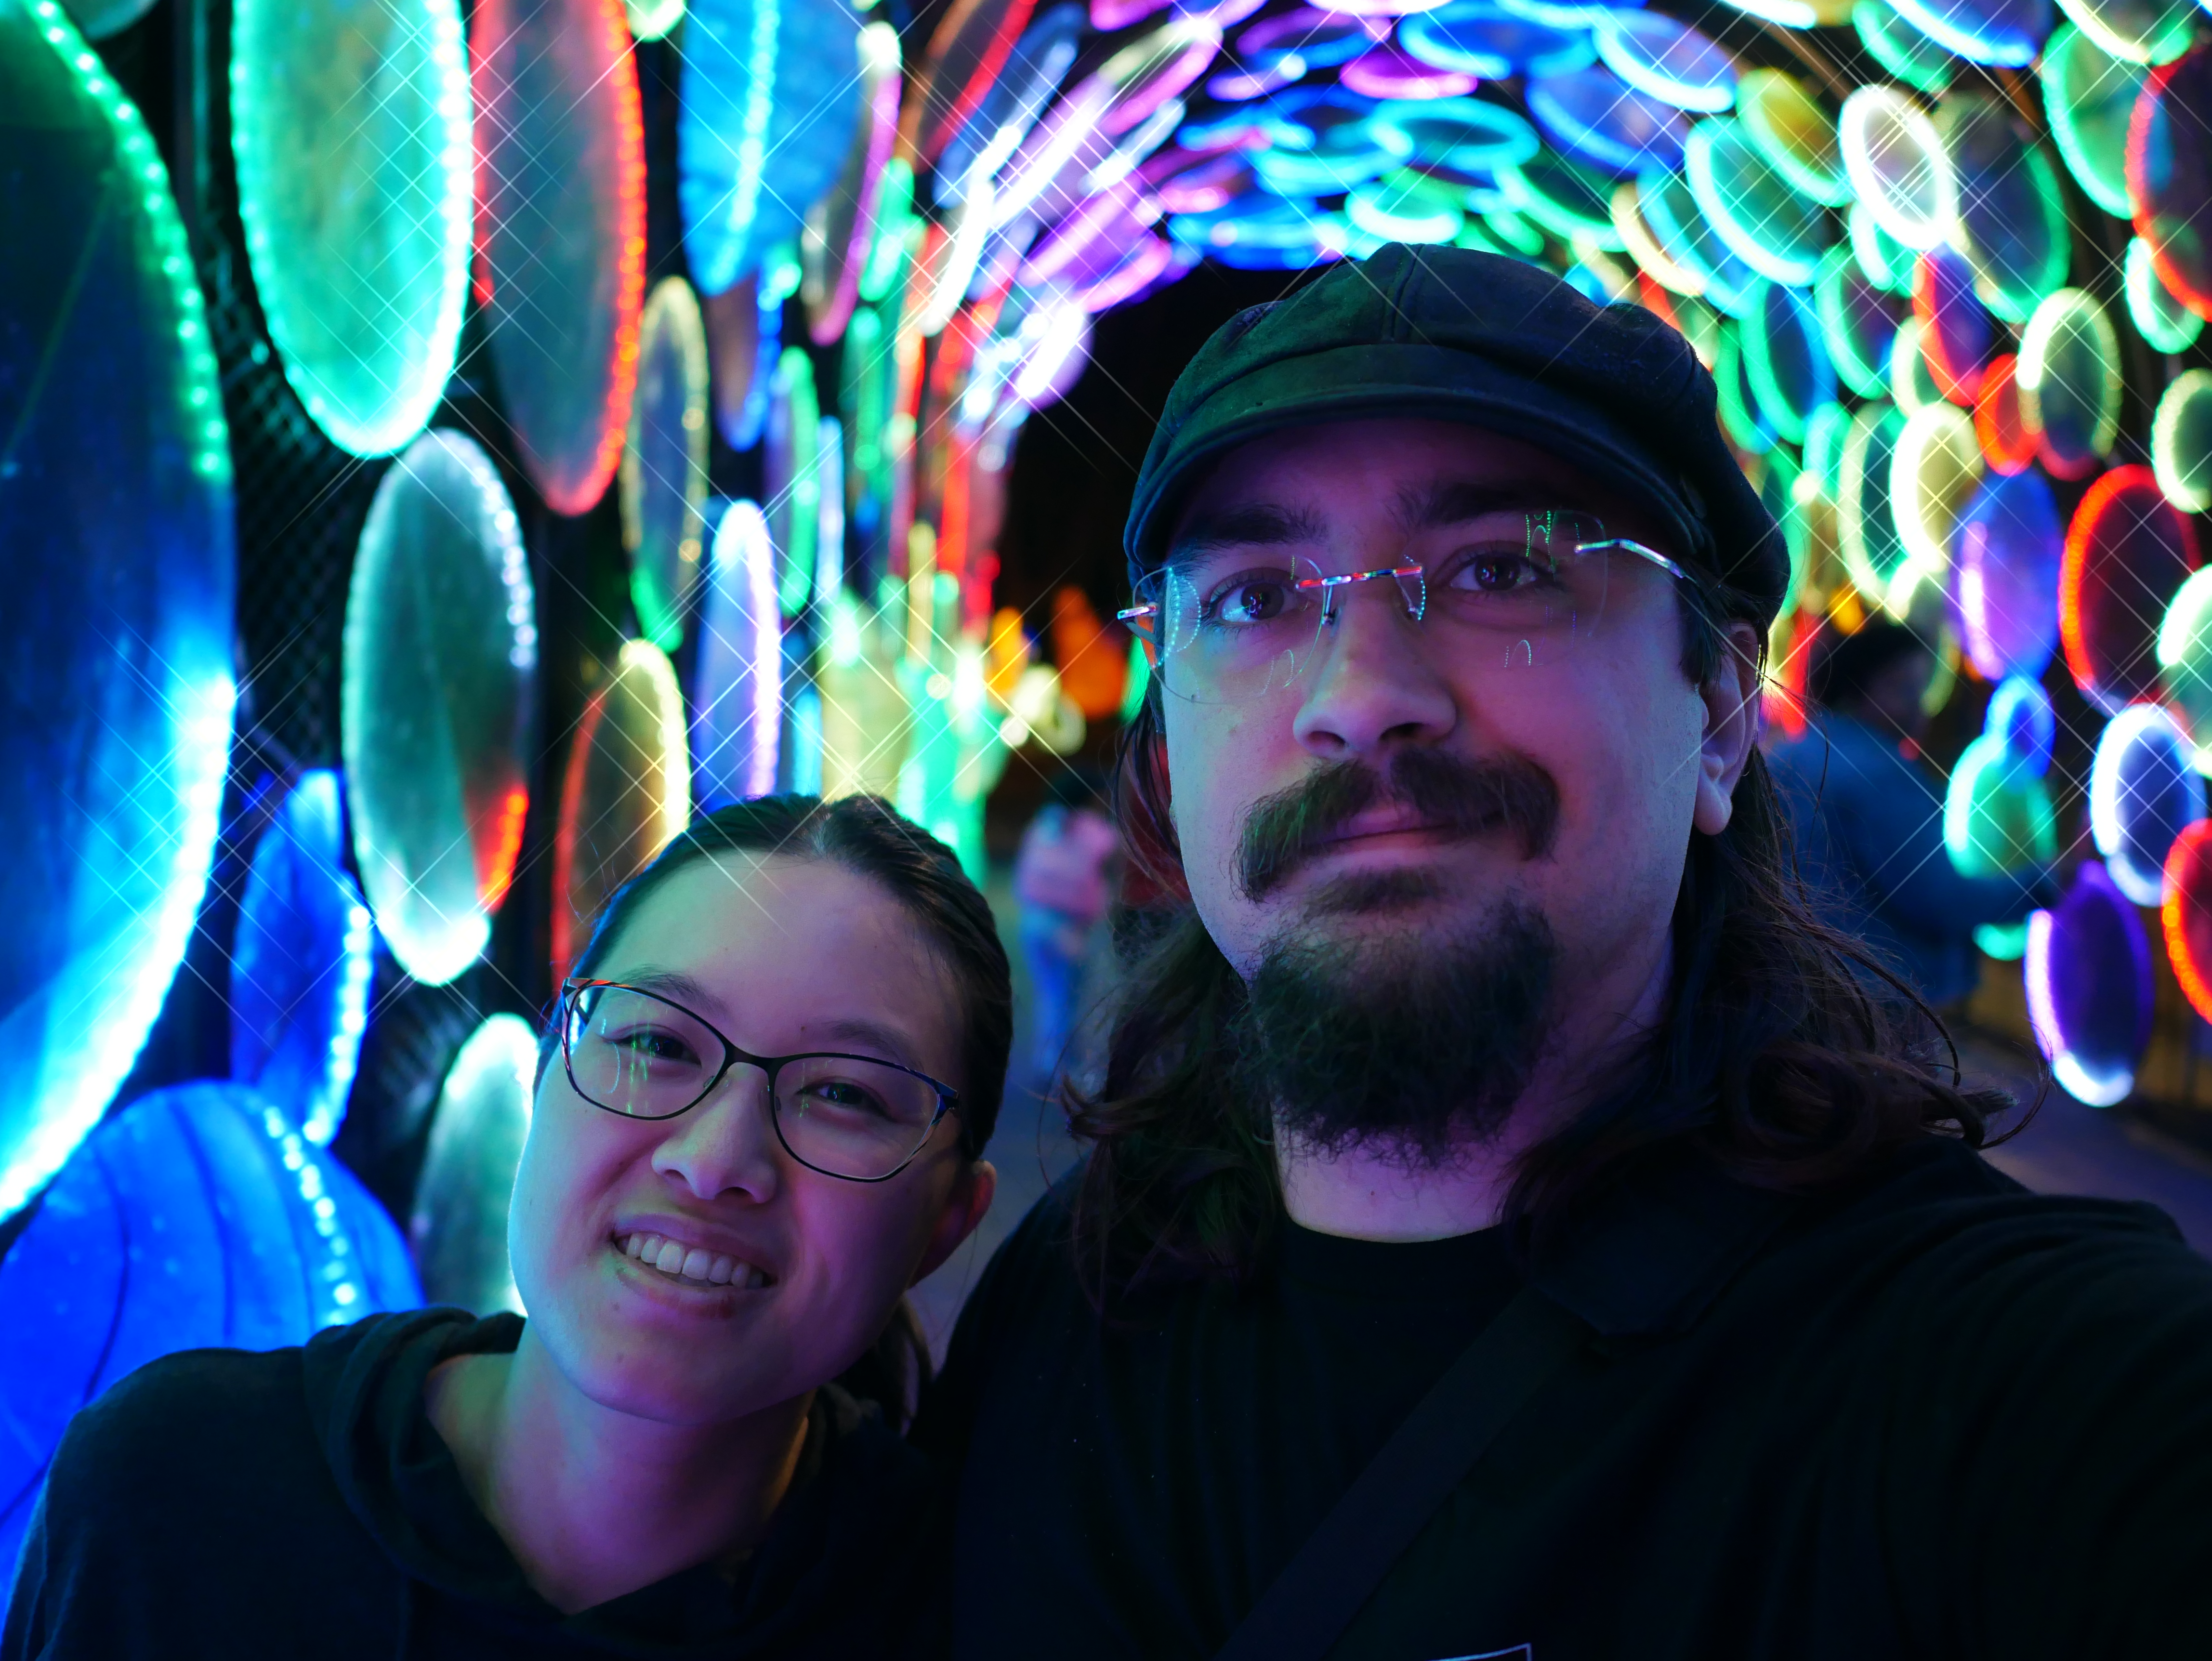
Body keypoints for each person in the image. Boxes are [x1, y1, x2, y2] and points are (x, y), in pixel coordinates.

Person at [914, 244, 2212, 1659]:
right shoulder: (1062, 1306)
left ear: (1718, 712)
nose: (1362, 700)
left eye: (1499, 570)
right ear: (1167, 761)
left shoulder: (2011, 1389)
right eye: (1257, 597)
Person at [5, 795, 1008, 1660]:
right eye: (655, 1040)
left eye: (842, 1093)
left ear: (946, 1223)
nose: (712, 1161)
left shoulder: (977, 1611)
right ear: (543, 1071)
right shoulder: (175, 1495)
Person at [1767, 617, 2052, 1005]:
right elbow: (1941, 896)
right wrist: (2042, 885)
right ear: (1862, 687)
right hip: (1865, 1009)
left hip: (1779, 990)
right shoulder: (1878, 774)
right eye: (1907, 690)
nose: (1920, 711)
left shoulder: (1784, 760)